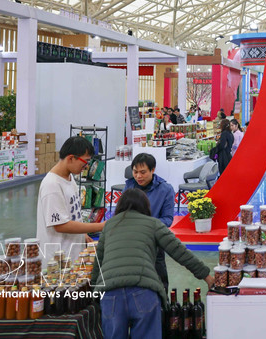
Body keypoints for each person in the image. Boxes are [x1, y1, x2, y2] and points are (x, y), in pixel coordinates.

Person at [90, 188, 214, 339]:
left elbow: (98, 263)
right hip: (144, 291)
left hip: (110, 294)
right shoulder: (153, 224)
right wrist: (207, 276)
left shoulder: (109, 226)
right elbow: (179, 252)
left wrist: (91, 295)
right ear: (145, 206)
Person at [36, 136, 105, 263]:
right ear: (71, 158)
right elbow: (60, 225)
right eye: (85, 162)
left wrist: (82, 234)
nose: (86, 167)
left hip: (71, 255)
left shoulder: (69, 178)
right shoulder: (52, 185)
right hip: (57, 261)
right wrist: (99, 226)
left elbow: (71, 214)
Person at [123, 153, 175, 294]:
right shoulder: (129, 187)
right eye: (135, 172)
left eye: (143, 172)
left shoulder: (165, 189)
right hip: (131, 242)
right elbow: (121, 214)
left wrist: (145, 224)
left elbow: (168, 219)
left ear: (153, 170)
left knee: (159, 280)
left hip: (154, 241)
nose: (138, 176)